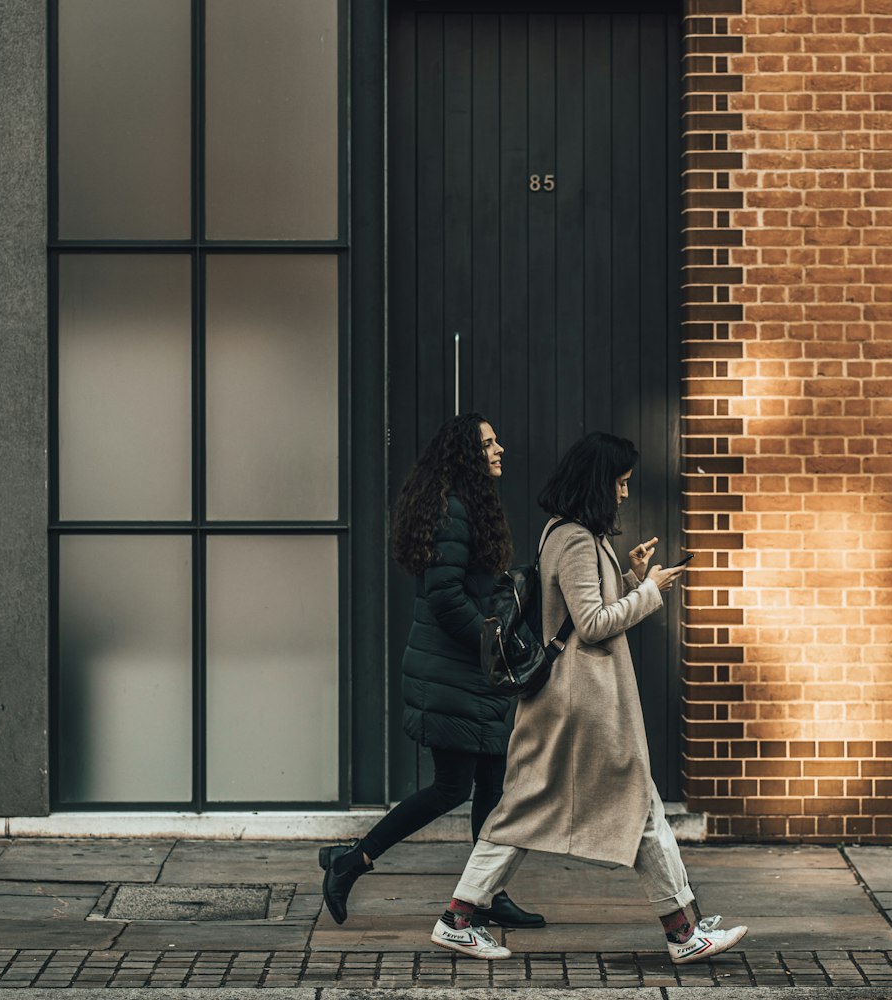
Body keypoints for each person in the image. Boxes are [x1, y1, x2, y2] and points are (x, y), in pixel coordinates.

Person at [428, 431, 748, 963]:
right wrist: (650, 593)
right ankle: (683, 931)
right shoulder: (574, 539)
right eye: (621, 484)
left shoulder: (574, 533)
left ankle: (459, 917)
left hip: (576, 699)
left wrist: (631, 575)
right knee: (634, 807)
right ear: (599, 483)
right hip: (581, 703)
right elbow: (592, 624)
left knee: (541, 808)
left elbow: (583, 610)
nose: (625, 494)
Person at [319, 412, 545, 931]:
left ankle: (487, 893)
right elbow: (445, 598)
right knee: (451, 788)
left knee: (490, 787)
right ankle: (352, 861)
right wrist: (496, 645)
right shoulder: (454, 511)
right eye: (489, 443)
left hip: (468, 675)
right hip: (454, 674)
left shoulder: (467, 506)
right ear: (467, 453)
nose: (500, 449)